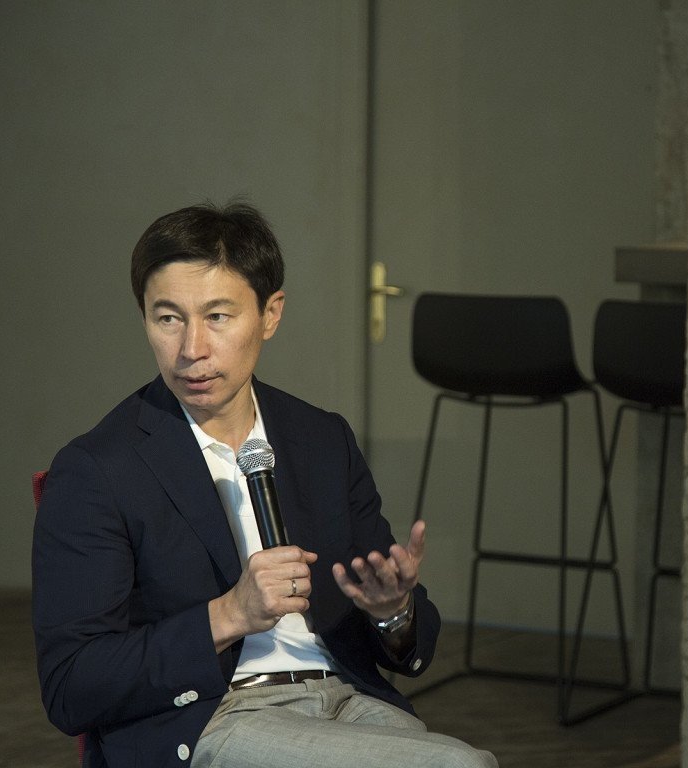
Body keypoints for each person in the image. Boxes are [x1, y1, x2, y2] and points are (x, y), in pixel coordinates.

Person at [32, 202, 497, 768]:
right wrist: (229, 614)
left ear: (270, 314)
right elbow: (72, 686)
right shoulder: (99, 468)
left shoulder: (321, 439)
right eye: (168, 318)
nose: (192, 349)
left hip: (346, 697)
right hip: (213, 716)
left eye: (218, 316)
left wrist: (391, 610)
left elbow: (403, 640)